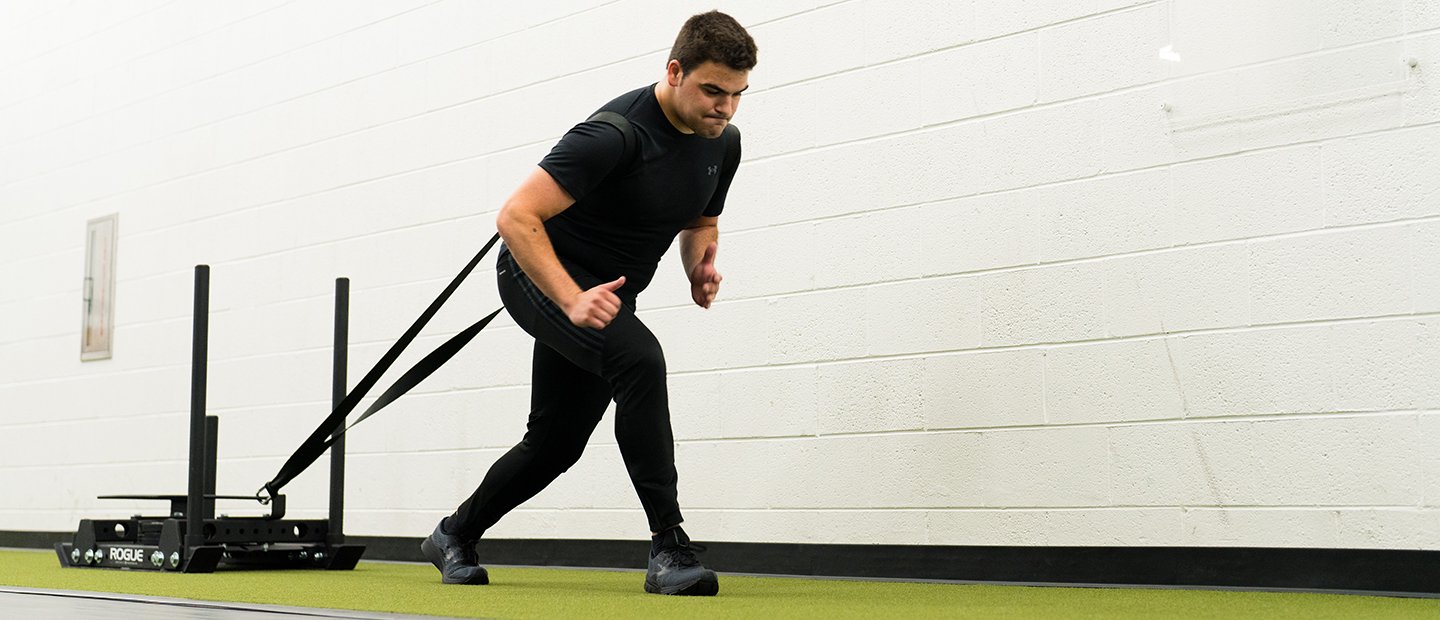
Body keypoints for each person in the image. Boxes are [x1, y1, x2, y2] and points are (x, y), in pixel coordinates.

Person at [421, 11, 757, 596]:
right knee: (641, 361)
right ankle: (668, 547)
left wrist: (699, 265)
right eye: (712, 91)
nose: (724, 108)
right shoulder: (614, 135)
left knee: (555, 444)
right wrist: (571, 298)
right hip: (541, 276)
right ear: (675, 72)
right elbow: (515, 217)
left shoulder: (720, 142)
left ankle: (453, 534)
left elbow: (703, 218)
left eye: (736, 95)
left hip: (603, 297)